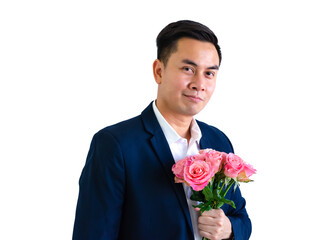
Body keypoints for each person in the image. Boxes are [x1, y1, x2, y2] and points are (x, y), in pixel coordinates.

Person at [73, 20, 252, 240]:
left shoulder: (218, 140)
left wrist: (229, 228)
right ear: (159, 71)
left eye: (209, 73)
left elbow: (241, 216)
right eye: (188, 69)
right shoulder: (115, 145)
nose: (199, 83)